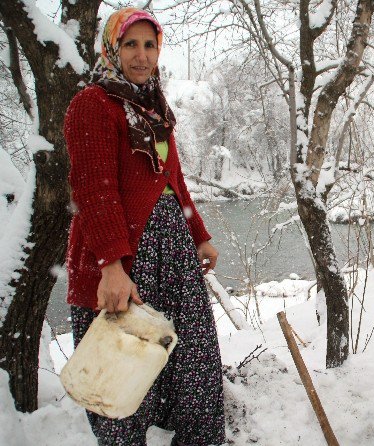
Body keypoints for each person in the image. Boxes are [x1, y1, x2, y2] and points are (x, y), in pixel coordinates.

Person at [64, 8, 225, 446]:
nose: (141, 56)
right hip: (123, 256)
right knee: (120, 368)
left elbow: (173, 178)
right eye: (131, 45)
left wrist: (200, 236)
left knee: (194, 363)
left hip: (171, 256)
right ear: (112, 49)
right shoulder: (92, 104)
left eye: (149, 45)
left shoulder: (152, 106)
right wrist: (111, 267)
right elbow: (94, 191)